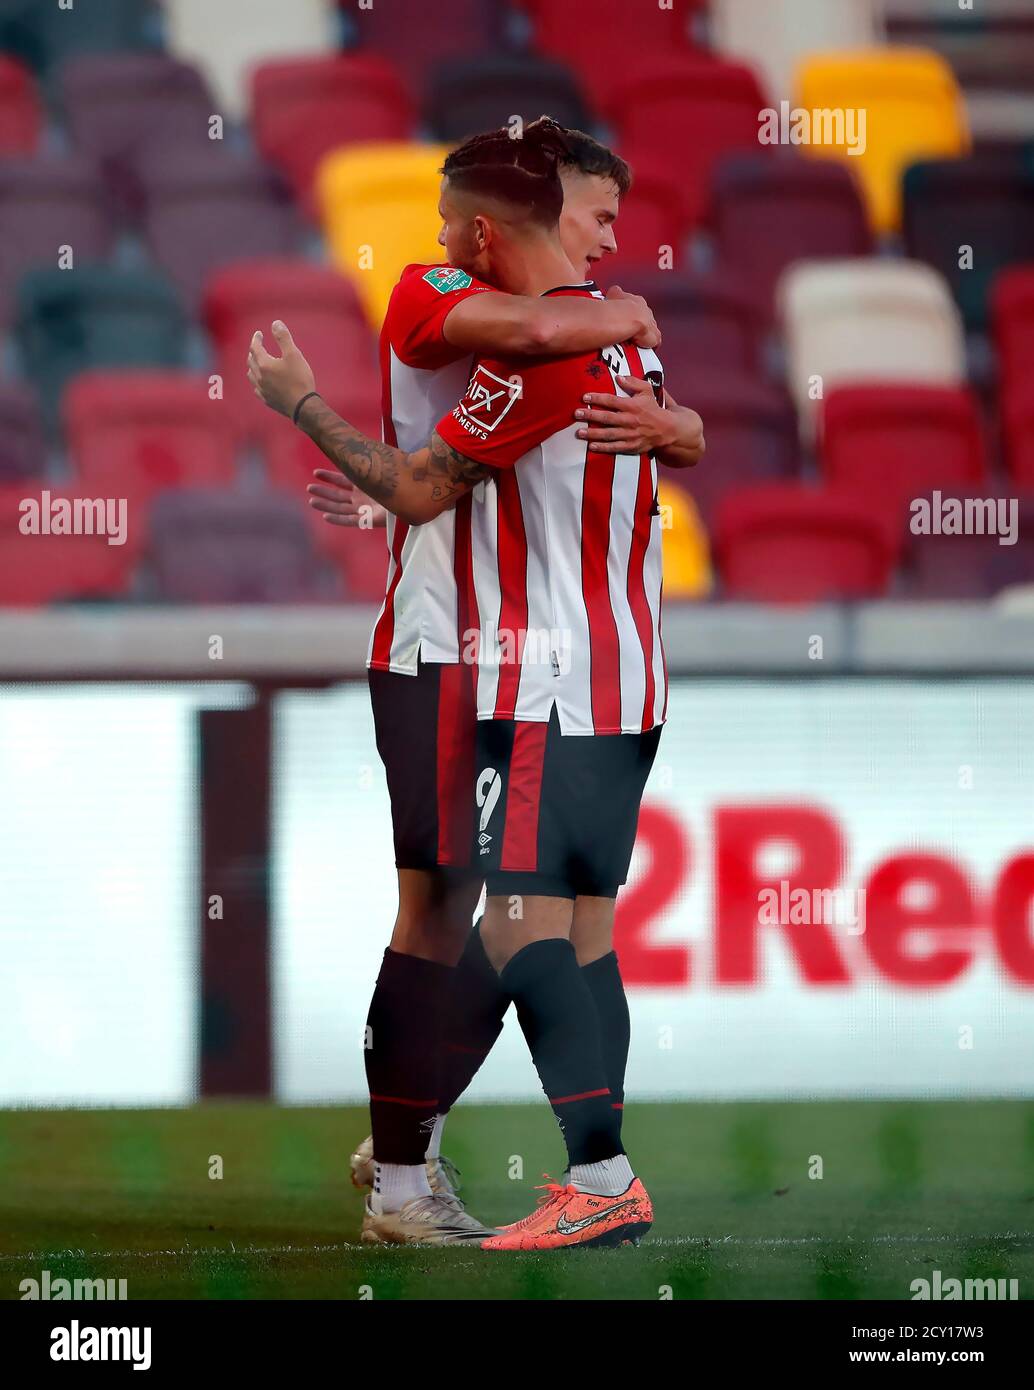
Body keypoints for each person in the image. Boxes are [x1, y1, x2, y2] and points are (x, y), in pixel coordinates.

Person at [249, 120, 696, 1250]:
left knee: (514, 919)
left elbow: (439, 473)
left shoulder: (583, 335)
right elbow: (429, 467)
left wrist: (673, 417)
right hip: (460, 647)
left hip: (523, 661)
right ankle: (422, 1163)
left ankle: (427, 1144)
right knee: (476, 914)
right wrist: (618, 326)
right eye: (596, 216)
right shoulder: (460, 295)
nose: (609, 242)